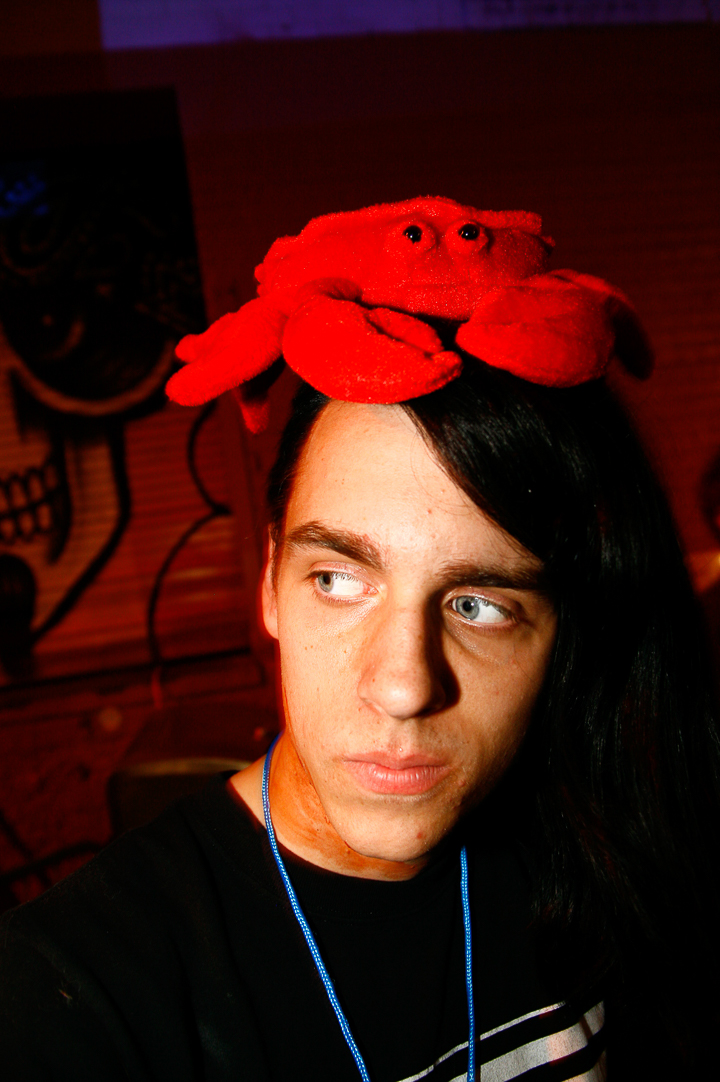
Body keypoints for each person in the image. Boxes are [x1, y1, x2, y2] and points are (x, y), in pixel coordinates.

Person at [1, 197, 718, 1080]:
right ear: (270, 582)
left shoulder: (615, 851)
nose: (404, 685)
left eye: (478, 604)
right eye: (338, 580)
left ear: (562, 631)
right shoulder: (70, 991)